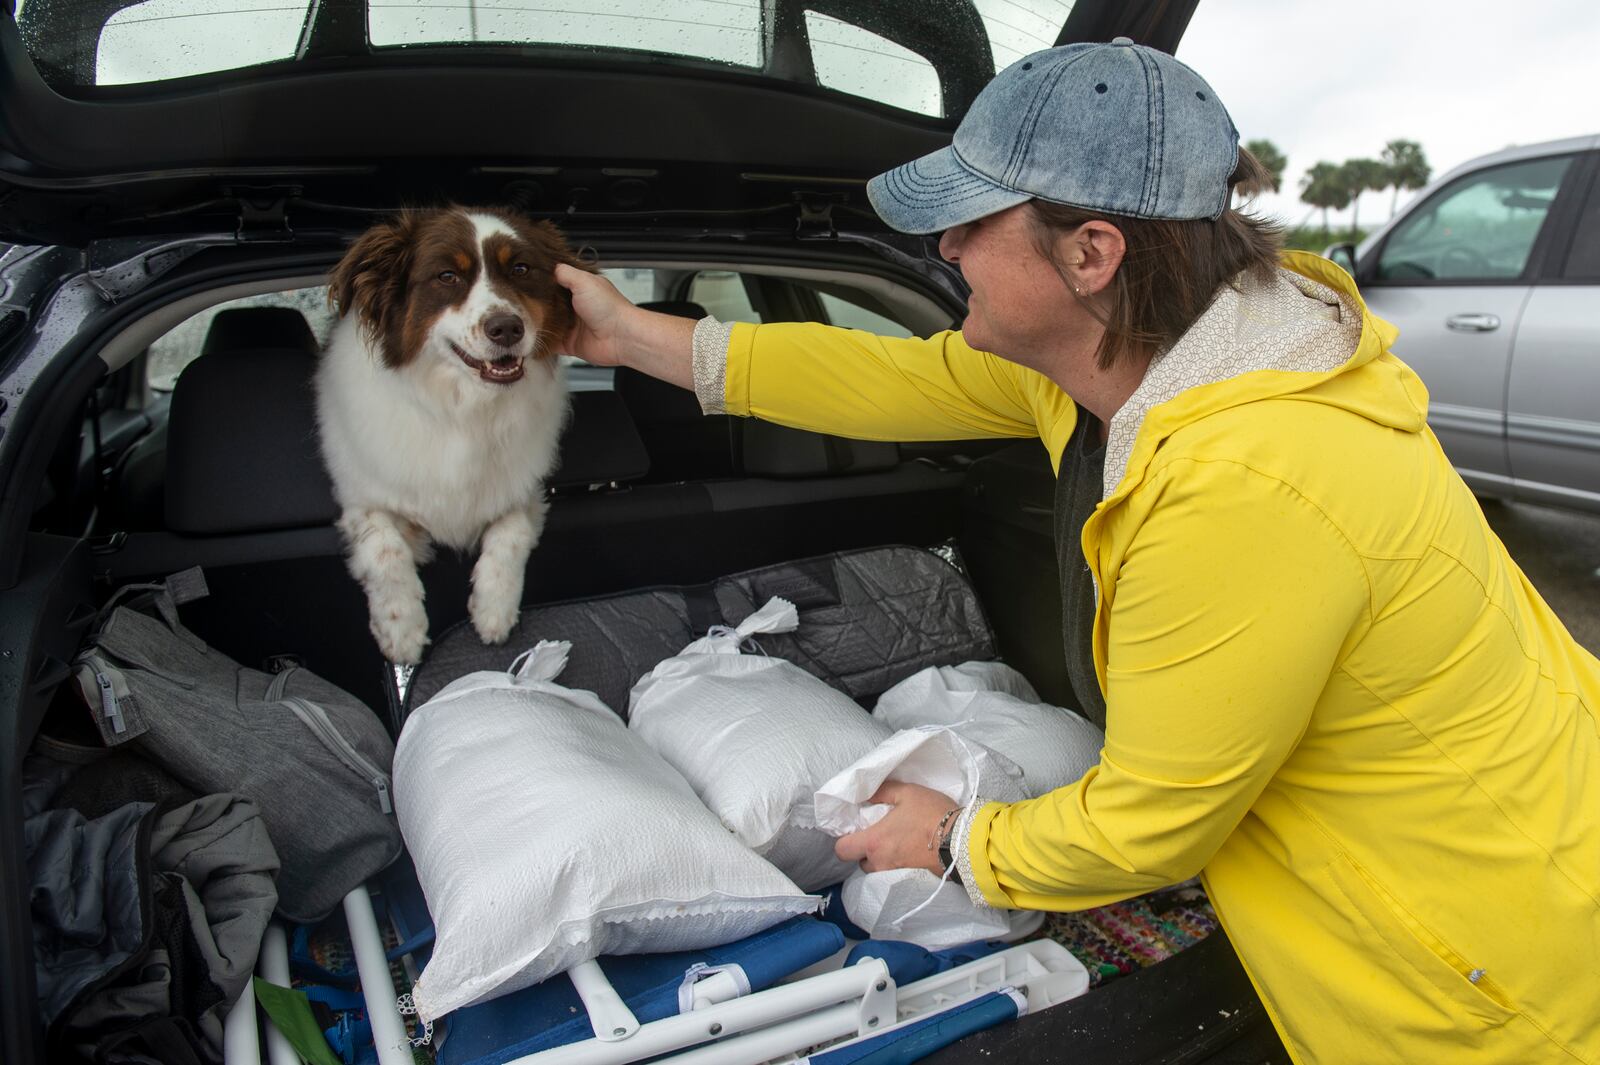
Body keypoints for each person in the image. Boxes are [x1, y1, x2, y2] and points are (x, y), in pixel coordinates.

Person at [555, 38, 1600, 1065]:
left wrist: (955, 841)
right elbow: (885, 380)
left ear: (1091, 253)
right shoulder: (1141, 357)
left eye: (965, 223)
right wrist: (624, 337)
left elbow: (1151, 826)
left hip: (1489, 977)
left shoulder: (1240, 481)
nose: (944, 251)